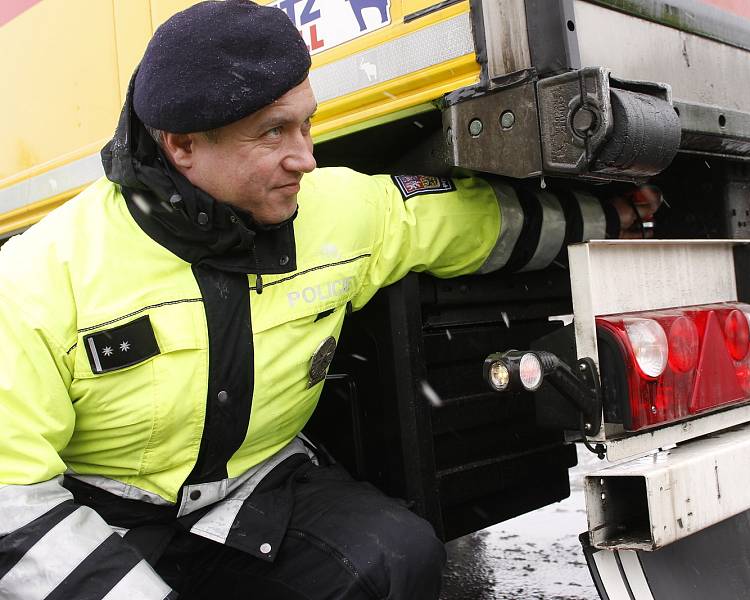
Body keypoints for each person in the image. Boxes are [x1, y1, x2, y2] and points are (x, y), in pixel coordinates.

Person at [0, 2, 657, 599]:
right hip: (109, 518)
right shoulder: (41, 276)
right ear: (182, 145)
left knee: (396, 559)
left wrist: (609, 217)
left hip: (254, 495)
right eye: (273, 133)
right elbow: (11, 502)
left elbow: (478, 224)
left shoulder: (338, 210)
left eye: (307, 125)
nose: (306, 159)